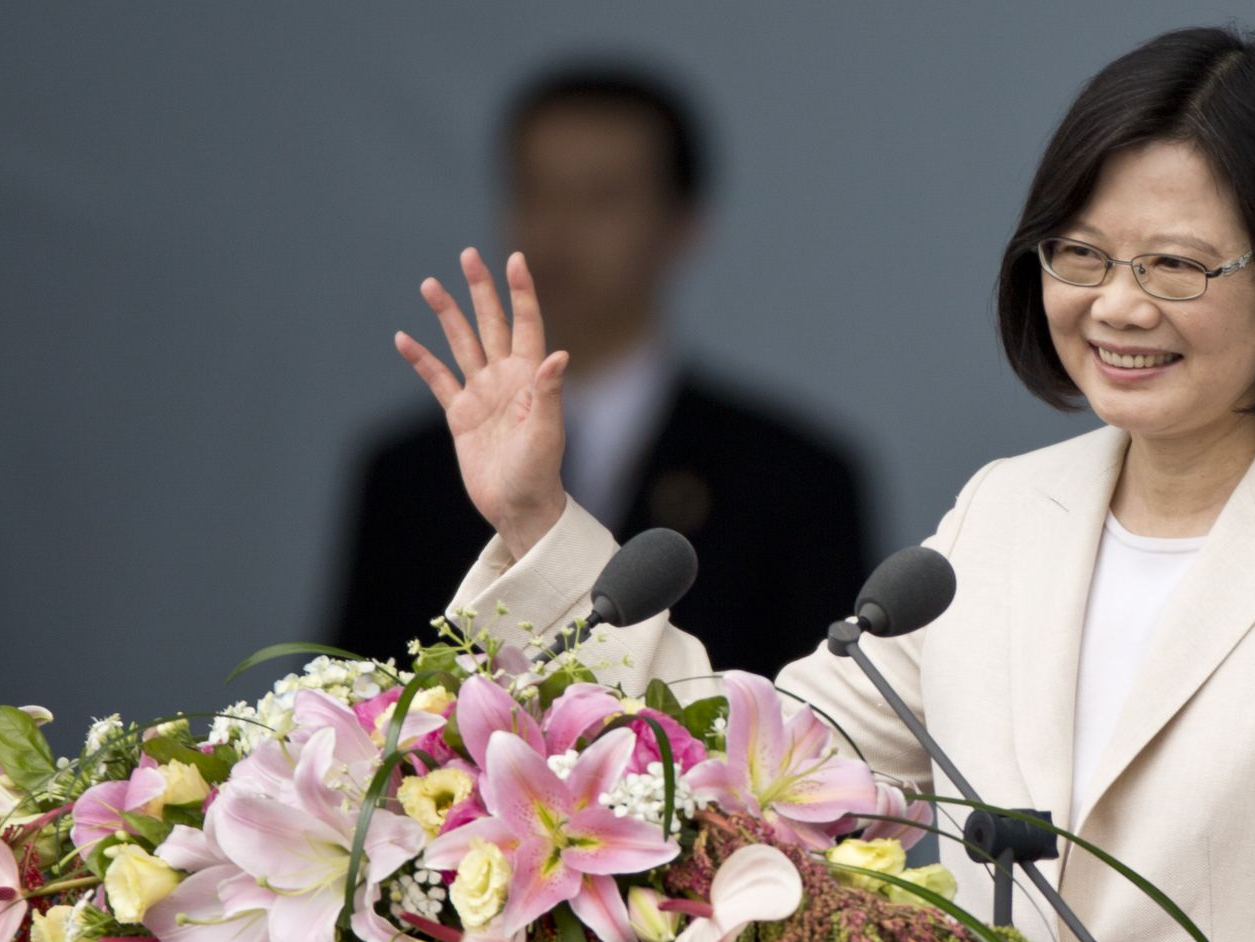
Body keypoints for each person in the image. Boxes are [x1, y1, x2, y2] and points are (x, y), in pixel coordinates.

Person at [393, 27, 1255, 942]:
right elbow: (744, 773)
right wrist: (538, 521)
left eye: (1177, 266)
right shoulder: (1005, 514)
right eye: (1080, 254)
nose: (1118, 308)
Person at [330, 64, 869, 675]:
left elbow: (819, 727)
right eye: (539, 192)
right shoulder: (411, 474)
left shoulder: (793, 479)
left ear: (681, 225)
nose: (560, 232)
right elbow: (357, 712)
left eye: (603, 198)